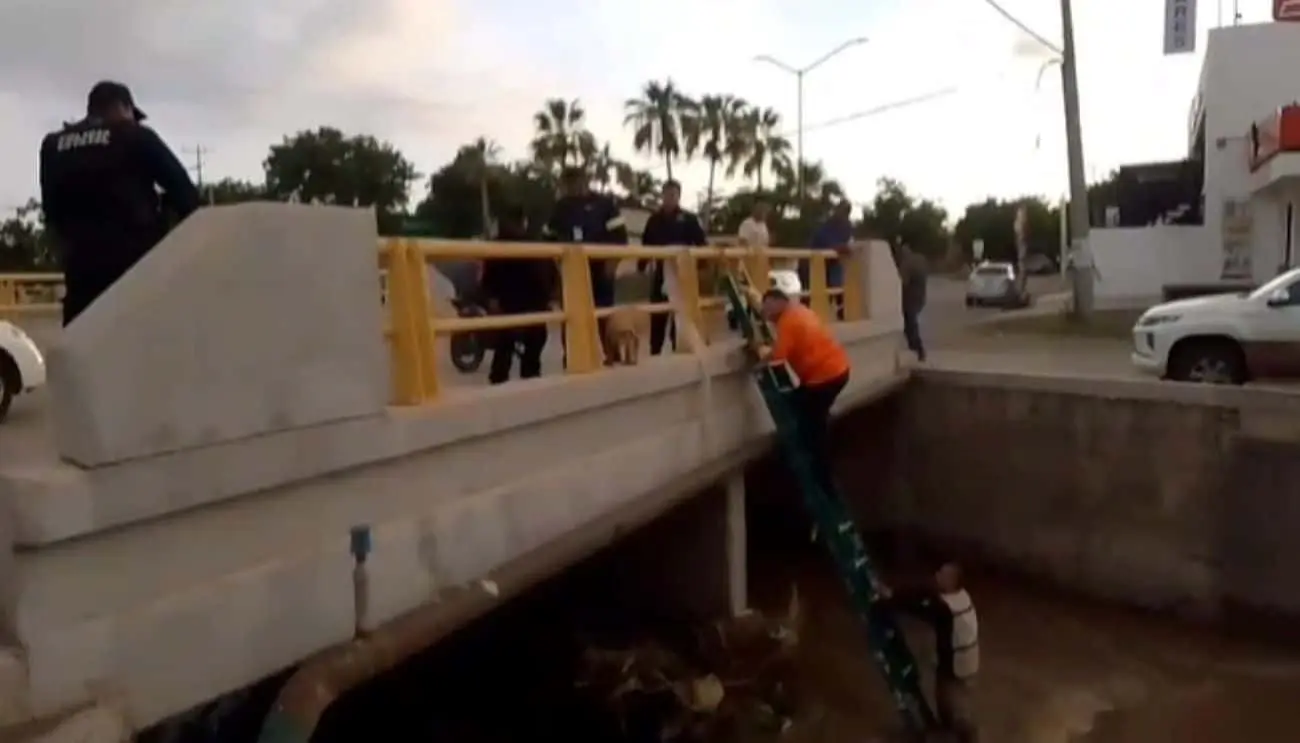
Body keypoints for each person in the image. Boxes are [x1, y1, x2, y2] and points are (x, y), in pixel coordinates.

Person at [39, 81, 200, 326]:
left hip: (80, 276)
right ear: (124, 107)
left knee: (83, 353)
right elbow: (187, 196)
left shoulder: (52, 146)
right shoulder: (135, 136)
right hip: (135, 275)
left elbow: (50, 210)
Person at [754, 288, 850, 496]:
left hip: (823, 378)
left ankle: (823, 478)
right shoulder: (801, 311)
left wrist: (759, 361)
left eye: (768, 305)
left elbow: (778, 357)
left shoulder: (788, 322)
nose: (766, 311)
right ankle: (821, 425)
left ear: (780, 302)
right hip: (838, 370)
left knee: (809, 424)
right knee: (809, 408)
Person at [878, 559, 979, 743]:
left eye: (943, 575)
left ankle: (958, 736)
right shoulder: (961, 596)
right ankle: (957, 731)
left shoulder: (945, 608)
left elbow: (920, 609)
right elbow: (924, 593)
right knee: (957, 702)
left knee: (948, 702)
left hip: (955, 665)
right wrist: (896, 593)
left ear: (952, 582)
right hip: (968, 661)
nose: (937, 577)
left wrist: (890, 599)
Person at [543, 167, 628, 364]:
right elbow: (547, 239)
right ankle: (572, 356)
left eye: (577, 180)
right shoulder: (561, 207)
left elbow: (620, 238)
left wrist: (612, 263)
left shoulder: (605, 204)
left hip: (600, 269)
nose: (574, 186)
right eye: (569, 182)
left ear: (585, 180)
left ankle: (607, 354)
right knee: (572, 316)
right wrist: (555, 264)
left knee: (603, 313)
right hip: (572, 272)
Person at [480, 205, 556, 384]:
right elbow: (547, 274)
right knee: (532, 340)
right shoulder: (533, 244)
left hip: (509, 302)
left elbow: (488, 278)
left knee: (505, 342)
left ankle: (500, 377)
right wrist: (548, 299)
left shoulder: (497, 246)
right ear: (523, 221)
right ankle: (529, 375)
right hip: (532, 302)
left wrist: (492, 299)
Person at [639, 180, 706, 355]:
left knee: (681, 314)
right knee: (658, 313)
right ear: (662, 196)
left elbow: (701, 244)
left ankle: (680, 348)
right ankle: (655, 349)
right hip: (661, 271)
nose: (669, 198)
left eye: (673, 195)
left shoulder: (689, 219)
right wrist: (642, 264)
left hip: (683, 273)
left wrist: (702, 266)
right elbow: (646, 244)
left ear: (679, 196)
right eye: (666, 195)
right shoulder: (654, 220)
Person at [805, 201, 854, 318]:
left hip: (834, 262)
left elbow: (849, 241)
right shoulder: (827, 224)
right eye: (842, 210)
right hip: (817, 261)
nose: (843, 213)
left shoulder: (847, 226)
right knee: (812, 288)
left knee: (837, 286)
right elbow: (820, 239)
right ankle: (807, 314)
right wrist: (835, 246)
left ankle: (840, 313)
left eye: (846, 211)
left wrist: (846, 247)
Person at [894, 242, 928, 362]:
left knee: (910, 325)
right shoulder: (921, 259)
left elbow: (902, 282)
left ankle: (918, 350)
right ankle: (916, 350)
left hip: (909, 299)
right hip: (921, 297)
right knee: (911, 324)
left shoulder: (907, 263)